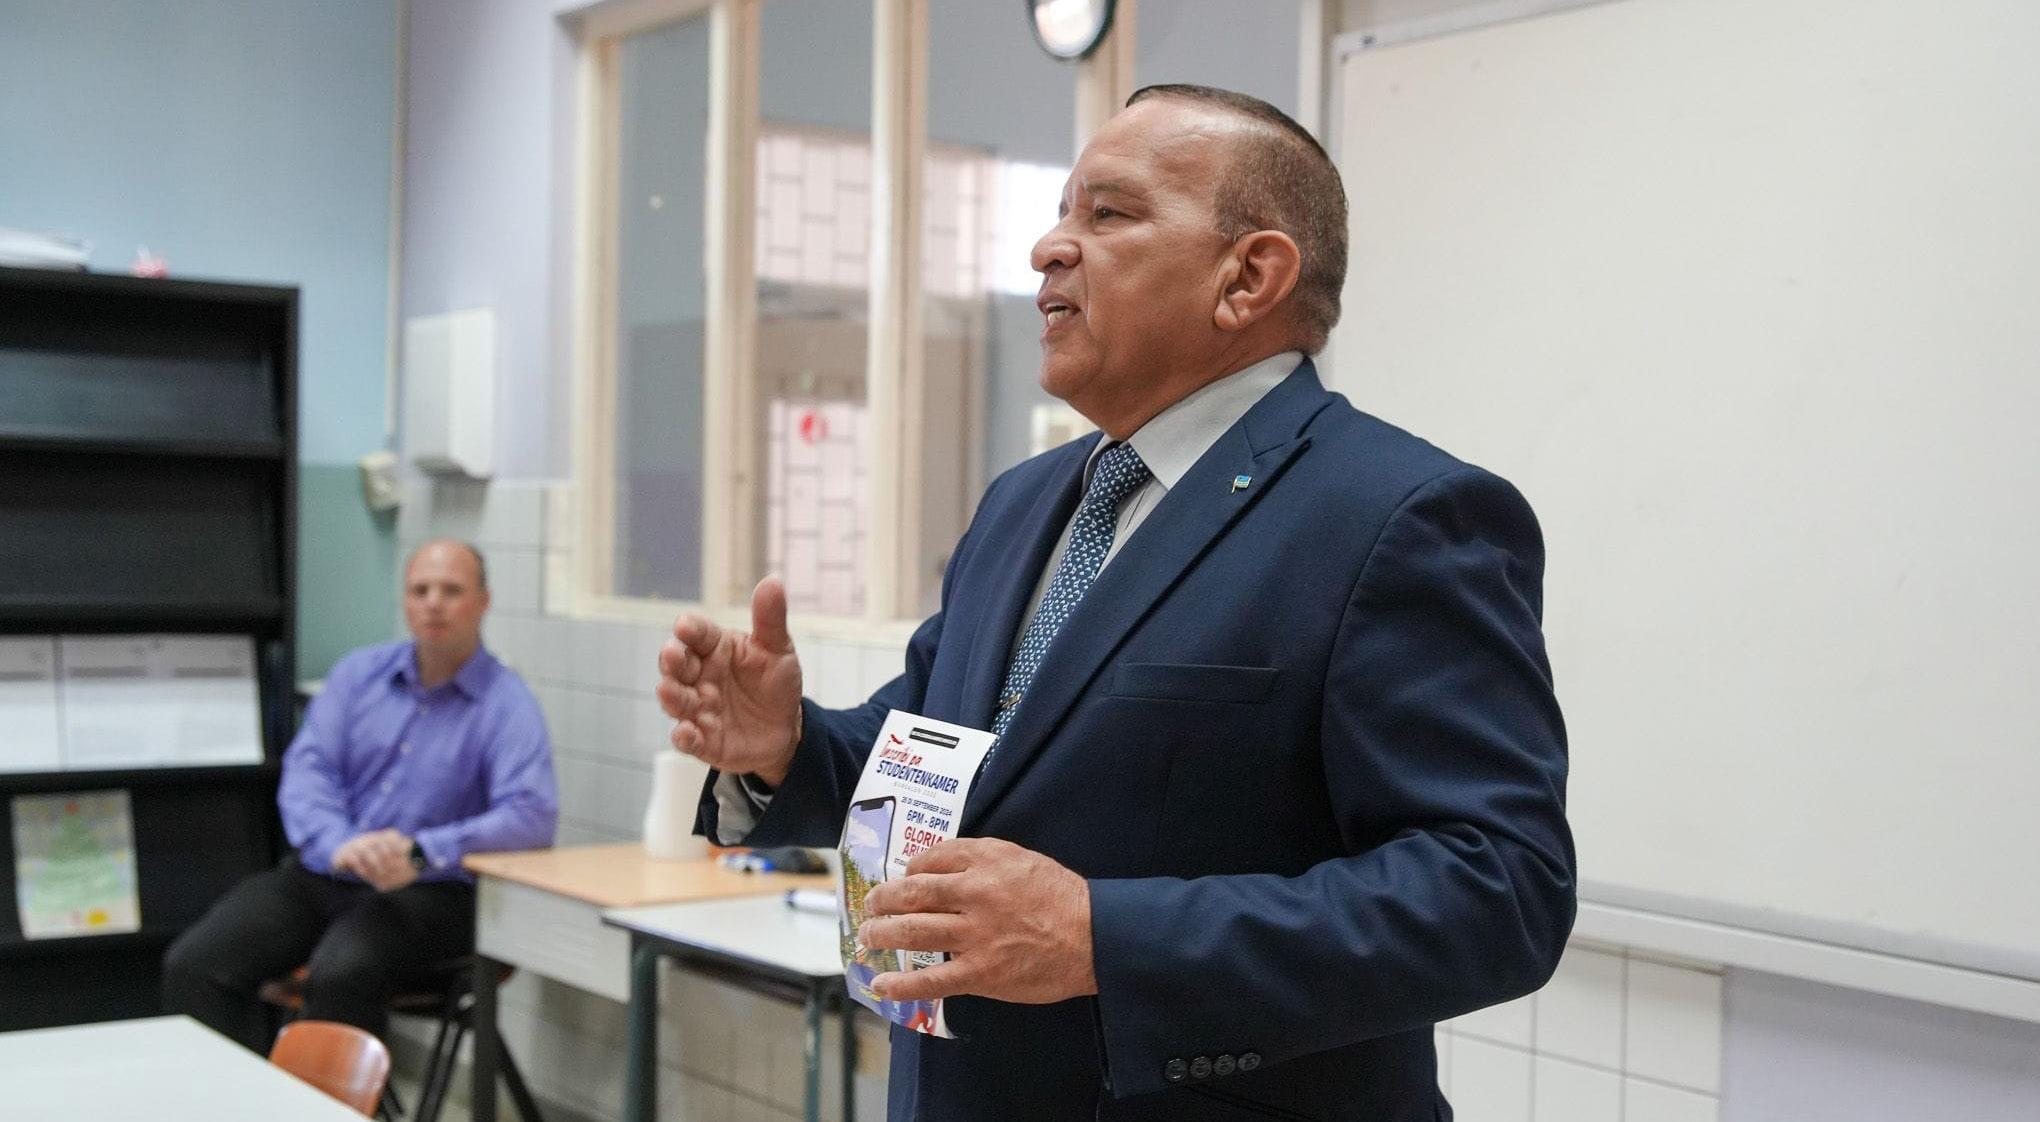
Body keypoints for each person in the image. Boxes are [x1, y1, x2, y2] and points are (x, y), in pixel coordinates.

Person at [657, 85, 1574, 1121]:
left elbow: (1498, 892)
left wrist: (1102, 937)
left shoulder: (1397, 516)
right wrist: (783, 747)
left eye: (1108, 214)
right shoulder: (1024, 502)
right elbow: (943, 754)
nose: (1050, 247)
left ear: (1249, 277)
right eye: (1061, 212)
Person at [163, 539, 557, 1051]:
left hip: (433, 891)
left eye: (451, 591)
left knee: (340, 976)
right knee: (196, 964)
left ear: (483, 602)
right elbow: (308, 771)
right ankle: (242, 1094)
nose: (434, 604)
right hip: (331, 872)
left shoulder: (507, 703)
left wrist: (421, 852)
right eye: (420, 590)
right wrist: (340, 843)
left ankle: (333, 1095)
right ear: (405, 601)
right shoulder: (358, 675)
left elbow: (531, 815)